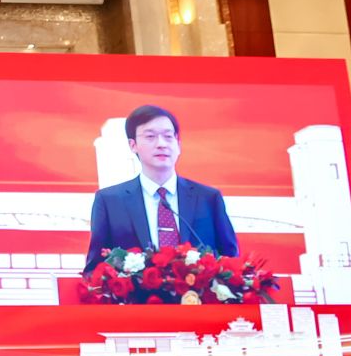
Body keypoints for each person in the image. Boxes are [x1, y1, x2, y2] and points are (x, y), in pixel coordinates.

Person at [82, 105, 238, 273]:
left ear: (178, 145)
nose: (161, 144)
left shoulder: (208, 198)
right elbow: (95, 270)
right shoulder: (110, 201)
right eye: (150, 136)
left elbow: (231, 263)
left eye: (168, 136)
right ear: (133, 145)